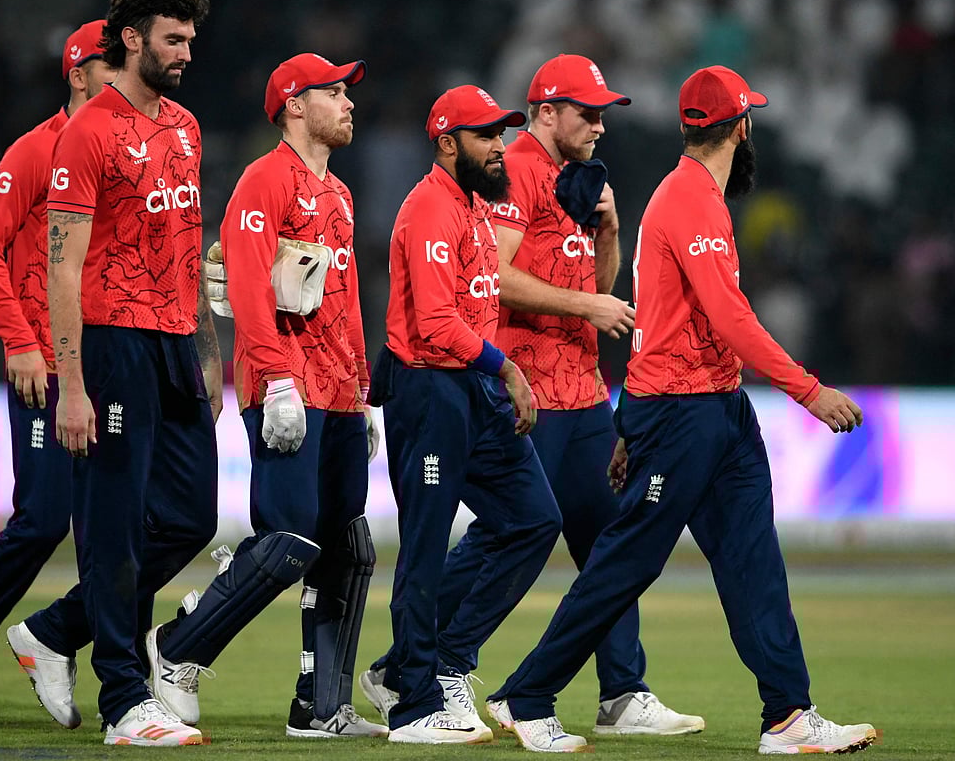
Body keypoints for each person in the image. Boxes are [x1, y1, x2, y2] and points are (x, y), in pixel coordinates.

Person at [484, 66, 878, 755]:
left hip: (717, 406)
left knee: (754, 562)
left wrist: (634, 421)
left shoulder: (695, 196)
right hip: (680, 412)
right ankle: (528, 693)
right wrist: (807, 389)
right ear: (742, 127)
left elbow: (676, 319)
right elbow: (728, 315)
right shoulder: (690, 199)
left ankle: (788, 714)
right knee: (627, 561)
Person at [360, 54, 705, 739]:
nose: (600, 126)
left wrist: (609, 232)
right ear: (548, 113)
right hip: (523, 381)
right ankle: (414, 667)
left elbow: (597, 288)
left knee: (605, 537)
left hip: (579, 385)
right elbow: (496, 279)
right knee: (508, 528)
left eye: (604, 114)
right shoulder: (510, 172)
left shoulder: (570, 181)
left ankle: (622, 689)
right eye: (588, 113)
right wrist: (575, 313)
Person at [144, 53, 385, 740]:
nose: (349, 103)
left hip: (338, 390)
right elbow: (248, 286)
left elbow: (347, 301)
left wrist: (363, 391)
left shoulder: (339, 195)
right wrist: (276, 379)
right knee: (290, 539)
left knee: (348, 547)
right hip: (287, 386)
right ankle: (177, 647)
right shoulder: (263, 180)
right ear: (294, 105)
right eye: (334, 92)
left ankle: (321, 707)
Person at [45, 0, 218, 747]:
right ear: (131, 39)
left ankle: (55, 630)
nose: (186, 54)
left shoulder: (185, 126)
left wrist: (207, 352)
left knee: (191, 518)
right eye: (172, 40)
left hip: (176, 342)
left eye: (189, 40)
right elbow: (62, 267)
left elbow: (188, 245)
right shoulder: (89, 133)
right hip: (114, 341)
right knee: (113, 525)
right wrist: (72, 385)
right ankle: (123, 700)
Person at [0, 20, 114, 725]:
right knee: (41, 520)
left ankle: (82, 657)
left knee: (119, 525)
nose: (124, 76)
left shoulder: (123, 152)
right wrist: (20, 341)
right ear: (78, 75)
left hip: (108, 364)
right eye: (110, 64)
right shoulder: (38, 149)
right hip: (45, 365)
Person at [372, 85, 563, 745]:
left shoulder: (476, 207)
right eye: (486, 135)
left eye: (502, 134)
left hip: (473, 388)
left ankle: (438, 661)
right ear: (448, 143)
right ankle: (413, 705)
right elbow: (433, 321)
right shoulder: (429, 207)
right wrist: (507, 368)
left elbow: (474, 305)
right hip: (430, 390)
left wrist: (496, 374)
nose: (500, 146)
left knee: (534, 518)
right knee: (424, 546)